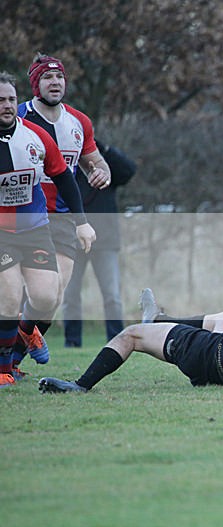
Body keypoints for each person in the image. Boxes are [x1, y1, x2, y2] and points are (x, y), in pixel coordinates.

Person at [14, 53, 110, 369]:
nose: (55, 83)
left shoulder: (79, 122)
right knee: (22, 295)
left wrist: (101, 173)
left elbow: (96, 162)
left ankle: (14, 355)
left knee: (52, 299)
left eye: (59, 78)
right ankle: (9, 360)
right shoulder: (17, 118)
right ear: (35, 84)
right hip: (22, 218)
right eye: (47, 78)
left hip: (64, 218)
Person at [0, 72, 94, 387]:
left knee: (45, 298)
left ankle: (27, 333)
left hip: (35, 229)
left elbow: (65, 178)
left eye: (11, 99)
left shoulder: (36, 136)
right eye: (1, 100)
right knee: (10, 299)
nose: (7, 105)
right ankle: (4, 368)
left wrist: (82, 222)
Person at [38, 288, 223, 392]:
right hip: (218, 371)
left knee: (130, 335)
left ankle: (81, 385)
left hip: (199, 352)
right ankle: (159, 318)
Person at [62, 139, 137, 346]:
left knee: (112, 295)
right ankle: (72, 343)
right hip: (73, 239)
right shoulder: (67, 163)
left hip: (106, 241)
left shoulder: (104, 164)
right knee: (70, 295)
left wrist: (102, 151)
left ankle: (117, 341)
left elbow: (129, 171)